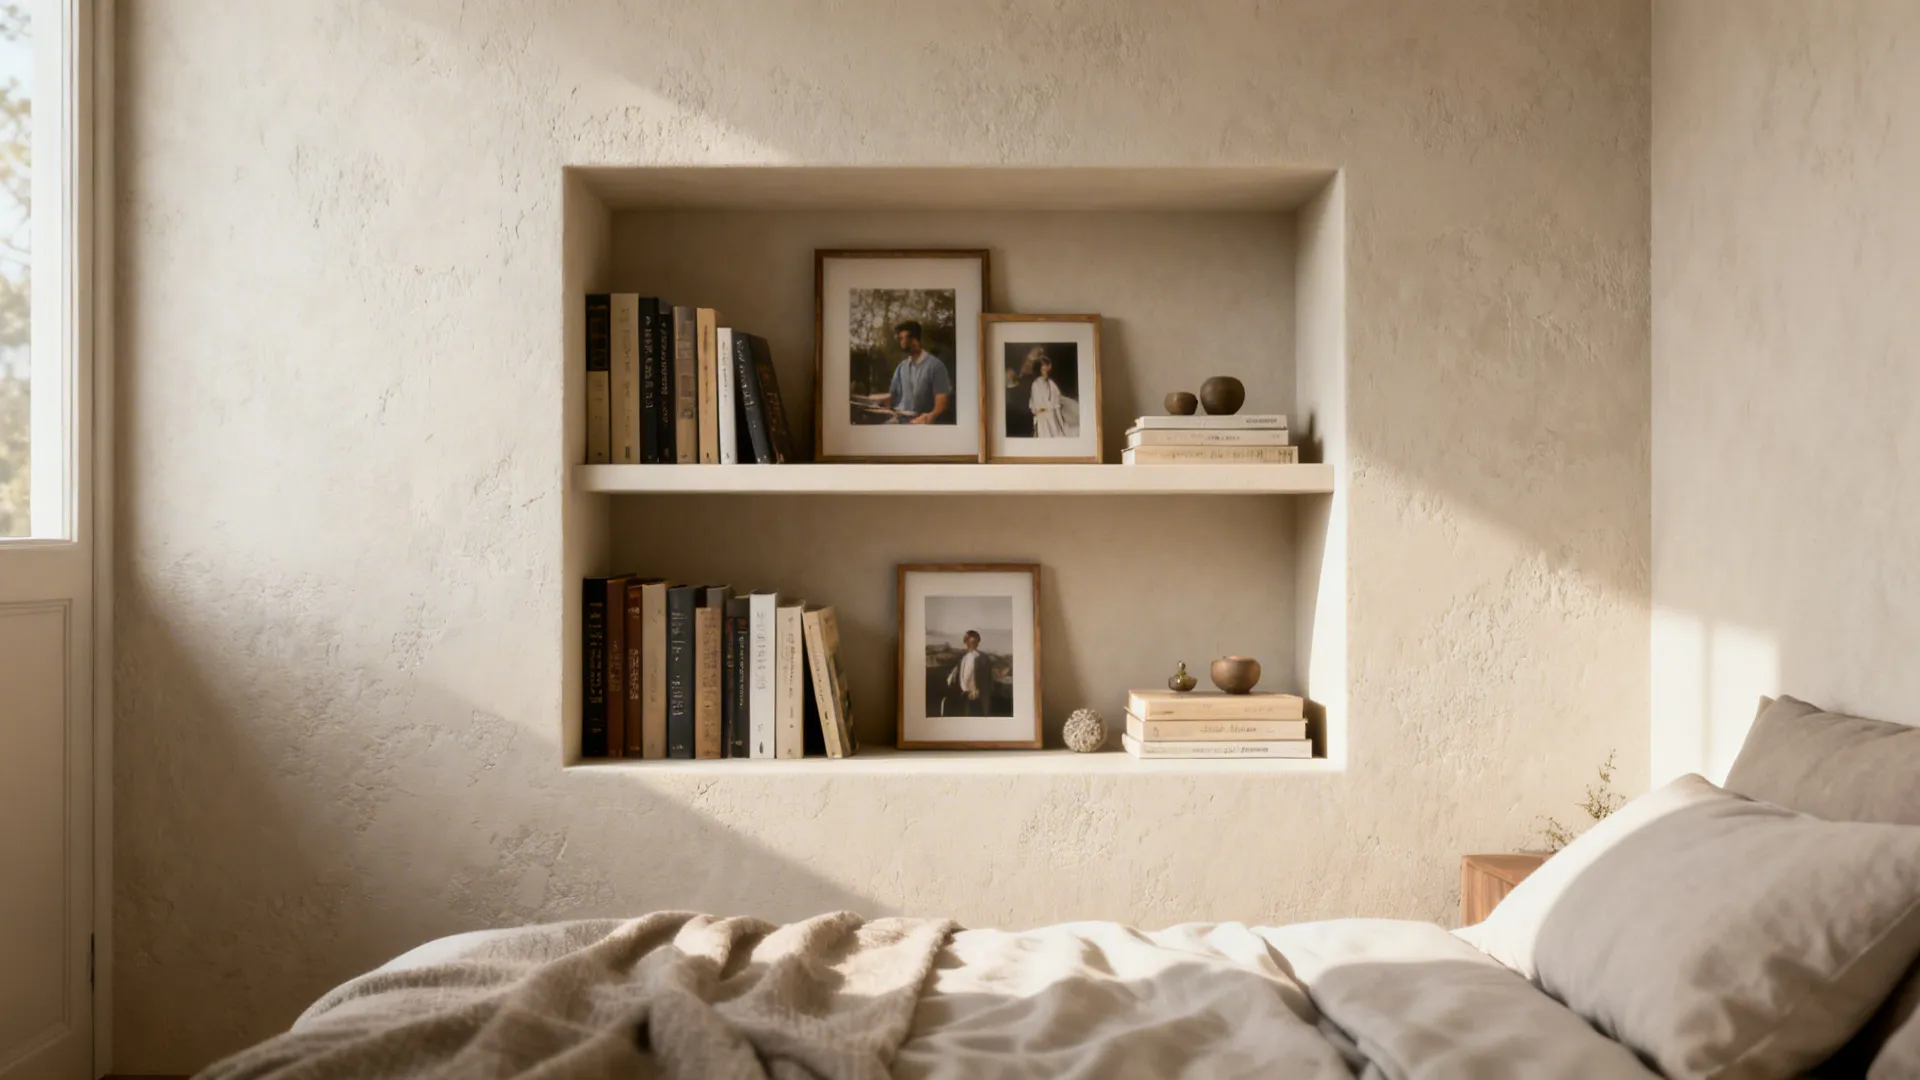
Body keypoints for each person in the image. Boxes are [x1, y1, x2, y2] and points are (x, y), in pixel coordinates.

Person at [854, 320, 952, 424]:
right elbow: (893, 397)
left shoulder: (936, 366)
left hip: (920, 425)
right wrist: (869, 402)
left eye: (901, 338)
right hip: (899, 420)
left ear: (914, 339)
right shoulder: (902, 367)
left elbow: (942, 404)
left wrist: (928, 417)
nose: (900, 342)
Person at [1026, 348, 1077, 438]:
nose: (1044, 367)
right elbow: (1036, 407)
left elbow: (1057, 405)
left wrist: (1061, 425)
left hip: (1053, 420)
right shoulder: (1036, 385)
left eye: (1046, 365)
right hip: (1043, 420)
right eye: (1042, 365)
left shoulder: (1052, 385)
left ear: (1049, 367)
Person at [946, 630, 988, 716]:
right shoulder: (963, 658)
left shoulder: (981, 658)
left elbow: (986, 679)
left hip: (974, 696)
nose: (972, 643)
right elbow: (955, 675)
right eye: (969, 640)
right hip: (963, 695)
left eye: (974, 641)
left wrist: (976, 691)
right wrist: (952, 677)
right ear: (966, 642)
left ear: (977, 642)